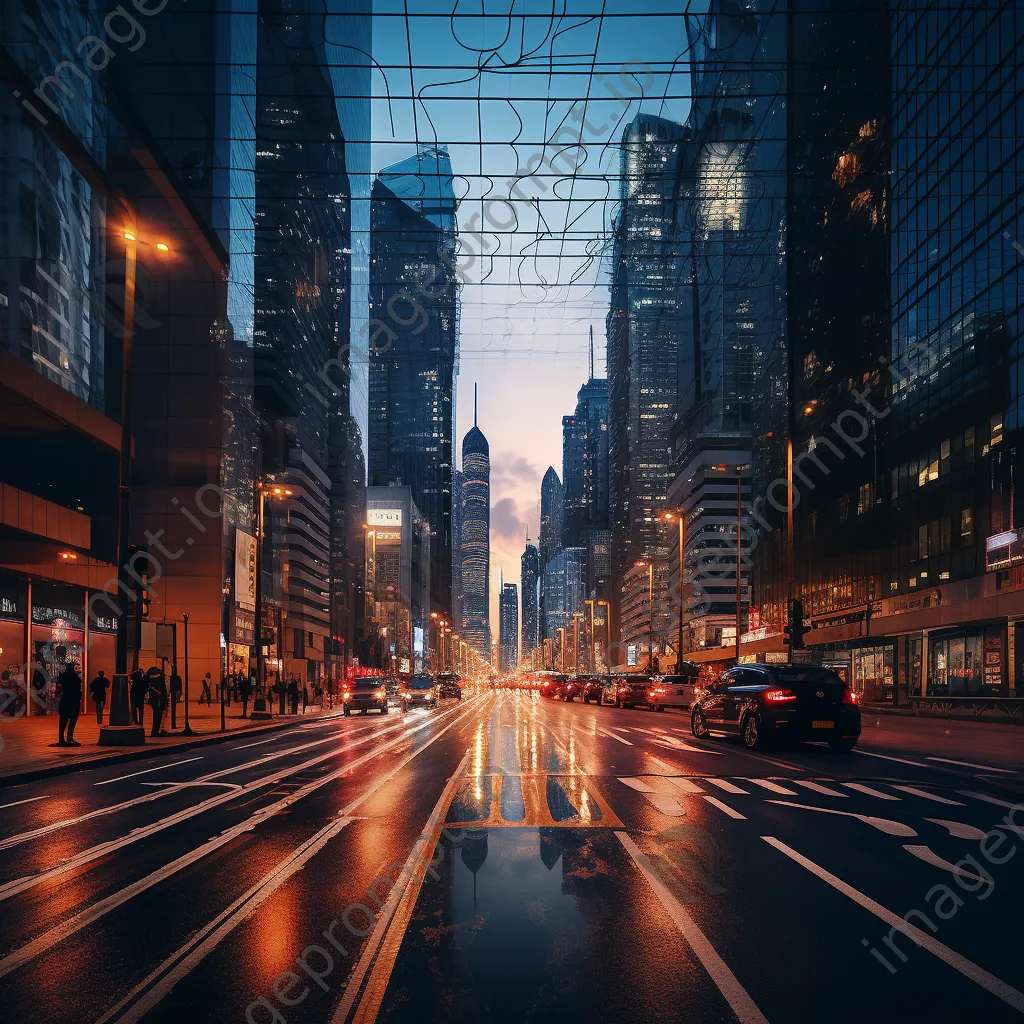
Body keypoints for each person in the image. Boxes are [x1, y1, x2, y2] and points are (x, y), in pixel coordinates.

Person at [56, 662, 83, 746]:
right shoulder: (75, 676)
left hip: (65, 699)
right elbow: (78, 688)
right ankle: (70, 738)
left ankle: (61, 738)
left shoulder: (63, 676)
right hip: (73, 700)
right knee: (72, 720)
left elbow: (60, 683)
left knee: (63, 721)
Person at [146, 666, 168, 737]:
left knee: (157, 716)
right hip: (159, 699)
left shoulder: (150, 681)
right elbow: (163, 690)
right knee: (158, 716)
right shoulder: (160, 679)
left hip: (154, 699)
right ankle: (155, 731)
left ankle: (155, 731)